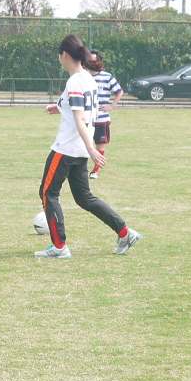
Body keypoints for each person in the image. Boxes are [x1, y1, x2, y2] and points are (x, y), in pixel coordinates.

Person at [37, 35, 140, 260]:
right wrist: (57, 107)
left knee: (47, 193)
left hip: (66, 149)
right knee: (84, 197)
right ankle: (125, 232)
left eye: (59, 55)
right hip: (80, 150)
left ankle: (59, 247)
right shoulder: (88, 79)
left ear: (64, 55)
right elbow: (76, 105)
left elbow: (79, 118)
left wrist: (92, 148)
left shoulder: (74, 82)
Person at [88, 51, 123, 175]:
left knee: (100, 146)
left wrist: (112, 106)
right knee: (81, 145)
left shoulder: (107, 76)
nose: (92, 63)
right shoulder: (83, 76)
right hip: (86, 119)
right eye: (89, 61)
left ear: (99, 61)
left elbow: (119, 91)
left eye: (94, 61)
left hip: (101, 119)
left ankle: (96, 170)